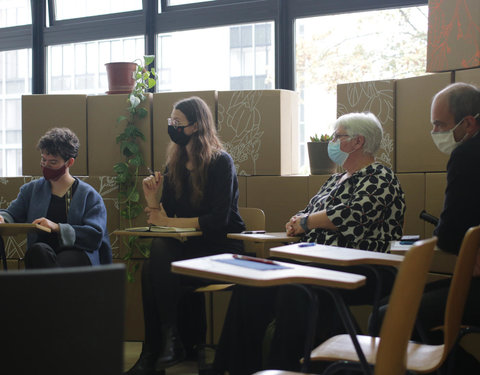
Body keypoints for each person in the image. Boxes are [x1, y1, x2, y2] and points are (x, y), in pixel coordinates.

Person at [213, 112, 405, 375]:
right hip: (317, 262)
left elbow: (351, 215)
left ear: (358, 142)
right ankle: (232, 368)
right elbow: (307, 214)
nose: (332, 142)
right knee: (252, 281)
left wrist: (307, 222)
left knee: (296, 287)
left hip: (363, 266)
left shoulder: (380, 177)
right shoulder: (335, 179)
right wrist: (299, 223)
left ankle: (284, 368)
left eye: (338, 137)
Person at [125, 96, 245, 375]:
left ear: (197, 125)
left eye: (177, 123)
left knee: (157, 258)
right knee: (151, 265)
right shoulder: (175, 164)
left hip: (221, 248)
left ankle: (164, 346)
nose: (172, 127)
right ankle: (157, 350)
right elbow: (163, 220)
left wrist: (168, 221)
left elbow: (218, 220)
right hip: (187, 246)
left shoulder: (220, 162)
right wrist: (153, 200)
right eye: (171, 122)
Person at [373, 82, 480, 373]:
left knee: (384, 314)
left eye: (439, 125)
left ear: (468, 123)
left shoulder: (467, 155)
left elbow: (450, 236)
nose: (435, 133)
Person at [0, 128, 111, 268]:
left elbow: (94, 235)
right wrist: (3, 218)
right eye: (43, 160)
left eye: (52, 162)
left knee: (51, 259)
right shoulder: (31, 190)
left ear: (69, 162)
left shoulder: (89, 196)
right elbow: (12, 214)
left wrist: (57, 228)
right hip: (41, 253)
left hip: (78, 255)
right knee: (38, 251)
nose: (46, 165)